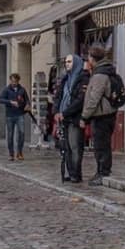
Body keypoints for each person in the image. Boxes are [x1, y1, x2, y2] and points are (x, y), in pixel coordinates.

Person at [81, 45, 125, 186]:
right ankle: (102, 171)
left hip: (102, 115)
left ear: (93, 59)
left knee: (101, 146)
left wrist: (84, 116)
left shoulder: (100, 75)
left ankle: (103, 172)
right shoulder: (106, 71)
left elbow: (94, 98)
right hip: (108, 113)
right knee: (102, 145)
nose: (88, 60)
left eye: (89, 57)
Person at [54, 53, 89, 184]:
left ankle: (76, 173)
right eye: (66, 62)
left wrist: (66, 112)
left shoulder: (83, 78)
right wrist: (56, 111)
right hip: (64, 118)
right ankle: (70, 172)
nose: (67, 64)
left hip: (74, 117)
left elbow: (80, 100)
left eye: (69, 62)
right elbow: (58, 96)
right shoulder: (65, 79)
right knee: (66, 146)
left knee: (75, 146)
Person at [0, 73, 30, 161]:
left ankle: (19, 152)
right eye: (12, 81)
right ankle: (11, 154)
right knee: (10, 135)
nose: (13, 83)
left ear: (18, 81)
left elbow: (27, 100)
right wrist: (11, 102)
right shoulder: (7, 90)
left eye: (15, 81)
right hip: (9, 116)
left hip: (20, 115)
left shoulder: (22, 90)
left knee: (22, 133)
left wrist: (27, 105)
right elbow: (0, 99)